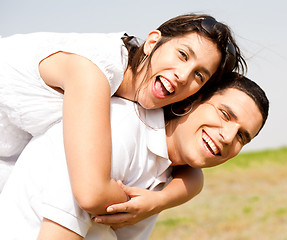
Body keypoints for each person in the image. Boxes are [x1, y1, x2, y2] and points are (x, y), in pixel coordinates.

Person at [0, 13, 246, 224]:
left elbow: (189, 171)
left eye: (199, 76)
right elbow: (92, 194)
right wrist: (138, 207)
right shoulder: (92, 73)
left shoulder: (148, 98)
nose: (183, 76)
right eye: (182, 55)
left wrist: (159, 200)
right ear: (152, 42)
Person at [0, 73, 269, 240]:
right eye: (224, 114)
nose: (228, 137)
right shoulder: (120, 128)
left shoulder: (169, 172)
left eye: (242, 137)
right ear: (191, 101)